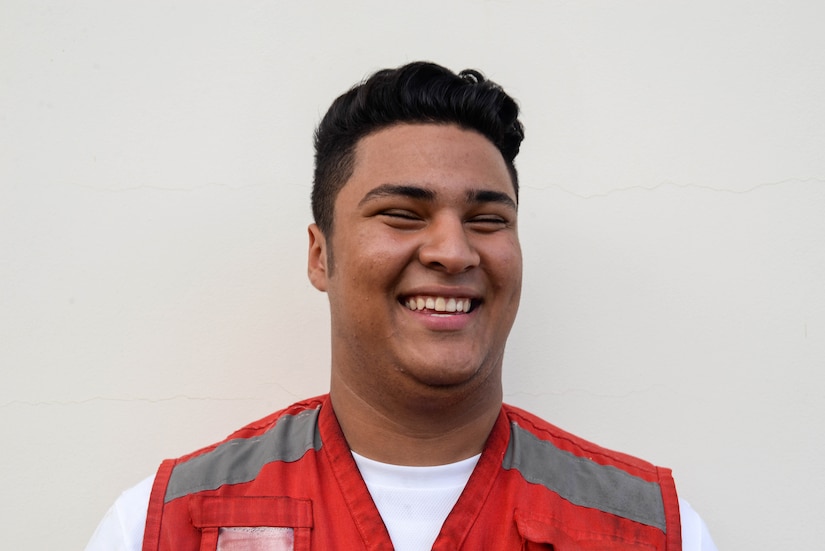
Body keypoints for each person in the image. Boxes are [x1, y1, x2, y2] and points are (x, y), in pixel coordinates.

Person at [87, 61, 717, 550]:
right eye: (401, 214)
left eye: (487, 218)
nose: (453, 250)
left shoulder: (652, 530)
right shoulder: (163, 526)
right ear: (320, 256)